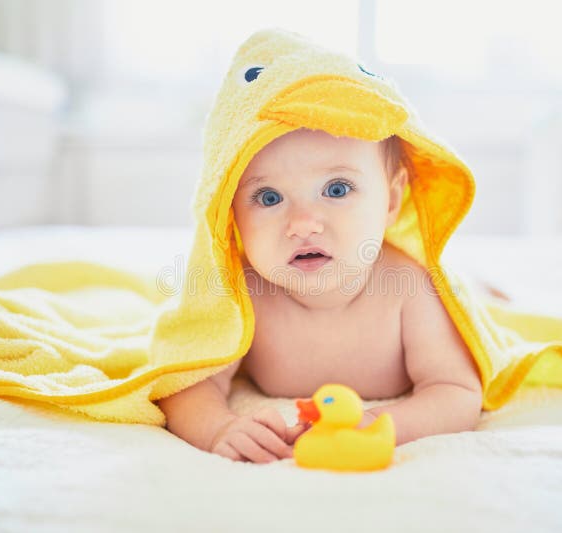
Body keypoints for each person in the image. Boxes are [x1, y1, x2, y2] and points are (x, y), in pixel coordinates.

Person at [157, 126, 484, 463]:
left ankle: (483, 287)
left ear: (392, 199)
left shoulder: (410, 290)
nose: (302, 224)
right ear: (230, 214)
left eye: (337, 189)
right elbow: (187, 383)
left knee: (472, 295)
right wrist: (219, 429)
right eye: (269, 197)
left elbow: (457, 392)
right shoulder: (242, 292)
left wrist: (377, 423)